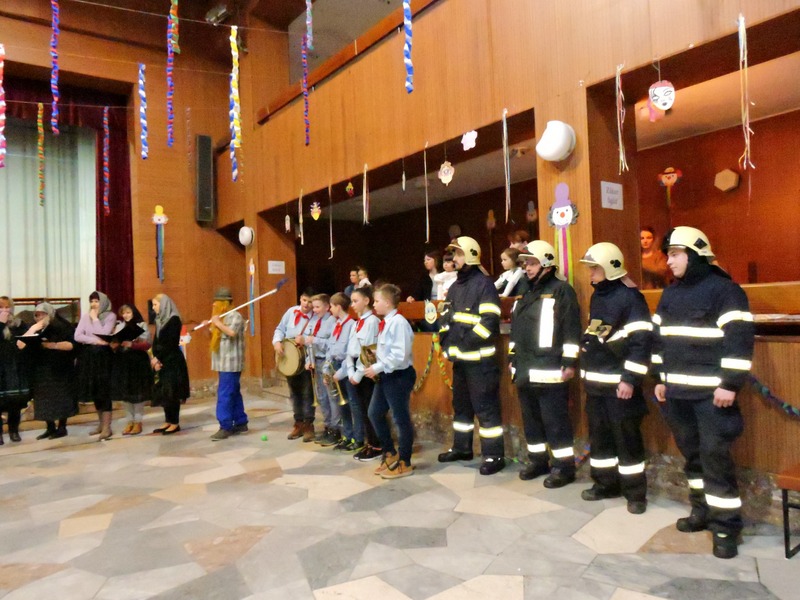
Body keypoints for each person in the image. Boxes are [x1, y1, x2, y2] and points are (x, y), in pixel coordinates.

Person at [653, 226, 754, 559]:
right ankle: (702, 512)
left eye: (675, 255)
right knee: (693, 458)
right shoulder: (670, 294)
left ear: (695, 254)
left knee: (715, 459)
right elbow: (659, 340)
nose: (669, 262)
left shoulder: (726, 291)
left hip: (712, 397)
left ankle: (726, 528)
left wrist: (729, 384)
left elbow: (739, 341)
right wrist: (660, 378)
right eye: (668, 255)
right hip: (677, 395)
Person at [578, 243, 653, 514]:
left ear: (609, 267)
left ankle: (635, 494)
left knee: (627, 440)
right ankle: (605, 484)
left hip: (619, 386)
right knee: (600, 439)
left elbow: (641, 342)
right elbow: (599, 332)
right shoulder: (598, 296)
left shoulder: (631, 298)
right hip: (596, 384)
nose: (590, 274)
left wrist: (629, 379)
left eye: (594, 268)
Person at [510, 241, 581, 487]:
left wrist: (569, 362)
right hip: (525, 368)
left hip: (550, 369)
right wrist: (512, 358)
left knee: (556, 422)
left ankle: (564, 468)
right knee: (531, 421)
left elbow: (571, 329)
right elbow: (516, 330)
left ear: (547, 265)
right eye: (525, 264)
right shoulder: (524, 292)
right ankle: (538, 461)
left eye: (532, 263)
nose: (527, 268)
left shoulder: (562, 291)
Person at [437, 236, 506, 476]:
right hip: (460, 362)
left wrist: (464, 344)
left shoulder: (485, 285)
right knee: (461, 408)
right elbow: (445, 319)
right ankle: (462, 448)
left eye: (457, 254)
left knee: (486, 410)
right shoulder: (455, 287)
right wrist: (445, 343)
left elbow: (489, 323)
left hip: (480, 363)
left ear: (470, 255)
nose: (453, 258)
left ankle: (494, 455)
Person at [366, 283, 417, 479]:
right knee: (374, 413)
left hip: (399, 376)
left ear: (387, 303)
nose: (374, 304)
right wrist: (376, 354)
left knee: (400, 418)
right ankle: (389, 452)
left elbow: (400, 355)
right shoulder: (386, 322)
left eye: (376, 301)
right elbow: (390, 349)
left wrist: (377, 367)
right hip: (387, 375)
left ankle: (405, 461)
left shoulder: (399, 323)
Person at [17, 302, 77, 439]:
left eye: (43, 315)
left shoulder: (62, 326)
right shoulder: (34, 328)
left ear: (50, 314)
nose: (40, 318)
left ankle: (62, 427)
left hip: (60, 368)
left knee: (61, 398)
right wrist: (33, 329)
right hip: (41, 368)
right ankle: (50, 427)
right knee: (44, 399)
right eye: (37, 315)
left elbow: (72, 345)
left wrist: (51, 345)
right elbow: (20, 344)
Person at [205, 287, 248, 441]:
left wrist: (217, 323)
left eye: (217, 302)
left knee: (225, 394)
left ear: (224, 303)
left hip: (231, 363)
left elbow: (231, 333)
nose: (214, 305)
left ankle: (225, 426)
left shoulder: (235, 316)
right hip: (221, 362)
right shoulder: (219, 317)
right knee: (233, 392)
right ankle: (241, 421)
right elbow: (212, 336)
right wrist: (208, 327)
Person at [346, 286, 383, 461]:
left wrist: (358, 374)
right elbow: (350, 349)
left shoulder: (372, 322)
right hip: (355, 368)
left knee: (370, 409)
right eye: (351, 301)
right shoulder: (356, 323)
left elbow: (367, 350)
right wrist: (350, 370)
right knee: (362, 409)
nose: (352, 305)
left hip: (367, 370)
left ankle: (377, 445)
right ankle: (370, 442)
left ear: (366, 301)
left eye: (355, 301)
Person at [74, 291, 117, 440]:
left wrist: (95, 320)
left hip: (103, 358)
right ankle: (100, 424)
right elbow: (77, 336)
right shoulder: (86, 316)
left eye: (96, 301)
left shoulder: (110, 316)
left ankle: (107, 427)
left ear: (103, 302)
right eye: (91, 301)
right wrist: (94, 341)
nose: (93, 304)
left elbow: (103, 335)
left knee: (103, 391)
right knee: (94, 391)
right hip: (89, 356)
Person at [272, 290, 314, 441]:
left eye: (310, 302)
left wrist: (306, 340)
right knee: (294, 393)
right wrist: (277, 342)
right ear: (300, 299)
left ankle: (309, 424)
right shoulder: (291, 312)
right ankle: (298, 423)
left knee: (307, 393)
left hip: (306, 360)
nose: (306, 304)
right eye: (304, 300)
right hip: (290, 359)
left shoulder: (315, 317)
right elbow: (280, 329)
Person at [150, 294, 190, 435]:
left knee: (172, 392)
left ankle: (174, 422)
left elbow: (171, 343)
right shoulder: (159, 320)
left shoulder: (174, 320)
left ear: (164, 305)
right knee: (164, 393)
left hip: (172, 360)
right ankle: (168, 420)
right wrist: (155, 357)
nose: (153, 307)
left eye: (155, 304)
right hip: (162, 360)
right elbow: (156, 341)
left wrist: (158, 358)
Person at [111, 304, 153, 436]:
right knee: (126, 394)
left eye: (128, 312)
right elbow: (115, 342)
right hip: (123, 362)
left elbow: (147, 344)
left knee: (138, 393)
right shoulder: (120, 326)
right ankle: (129, 421)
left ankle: (138, 421)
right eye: (123, 313)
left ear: (134, 313)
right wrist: (114, 343)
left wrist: (132, 344)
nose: (126, 315)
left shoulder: (141, 325)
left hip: (138, 362)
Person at [303, 293, 337, 444]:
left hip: (326, 361)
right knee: (321, 397)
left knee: (331, 396)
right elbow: (308, 343)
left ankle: (336, 428)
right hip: (315, 361)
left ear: (327, 306)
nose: (314, 310)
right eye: (314, 307)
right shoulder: (313, 320)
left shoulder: (332, 321)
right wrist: (309, 360)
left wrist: (315, 340)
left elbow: (331, 343)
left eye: (317, 307)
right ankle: (327, 425)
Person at [326, 293, 356, 450]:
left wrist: (342, 371)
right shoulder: (336, 325)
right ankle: (347, 435)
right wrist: (327, 370)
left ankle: (356, 437)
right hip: (335, 366)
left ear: (338, 307)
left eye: (331, 306)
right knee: (341, 403)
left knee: (351, 403)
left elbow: (350, 351)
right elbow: (330, 348)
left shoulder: (351, 325)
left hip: (346, 368)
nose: (330, 309)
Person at [0, 297, 31, 443]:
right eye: (1, 307)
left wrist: (25, 345)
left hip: (14, 367)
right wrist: (1, 323)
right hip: (1, 367)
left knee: (15, 402)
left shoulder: (18, 323)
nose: (5, 310)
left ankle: (14, 431)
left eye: (8, 307)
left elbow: (28, 339)